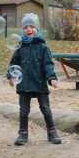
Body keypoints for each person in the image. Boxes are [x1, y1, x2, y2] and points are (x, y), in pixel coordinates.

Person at [7, 13, 61, 145]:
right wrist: (11, 75)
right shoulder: (20, 47)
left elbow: (48, 64)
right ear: (22, 29)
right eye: (26, 27)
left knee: (45, 108)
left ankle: (52, 131)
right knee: (24, 110)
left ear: (37, 29)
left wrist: (51, 78)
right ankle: (23, 134)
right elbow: (14, 63)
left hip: (39, 82)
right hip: (23, 83)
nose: (28, 30)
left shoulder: (42, 46)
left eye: (32, 27)